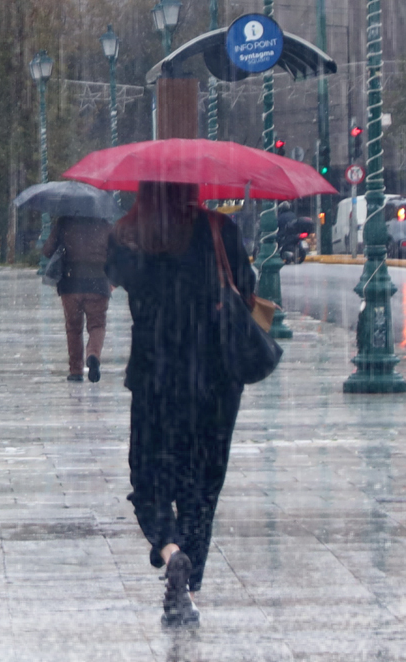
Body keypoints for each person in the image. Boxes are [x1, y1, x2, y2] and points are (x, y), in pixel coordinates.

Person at [105, 182, 256, 627]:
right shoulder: (218, 229)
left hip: (155, 376)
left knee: (148, 479)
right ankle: (186, 589)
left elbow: (117, 280)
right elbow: (247, 289)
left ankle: (170, 551)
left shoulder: (127, 235)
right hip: (214, 378)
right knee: (201, 484)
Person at [41, 215, 113, 382]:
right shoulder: (104, 224)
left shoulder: (65, 222)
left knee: (73, 328)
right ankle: (93, 354)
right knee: (97, 325)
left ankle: (76, 370)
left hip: (71, 282)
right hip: (98, 282)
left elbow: (47, 250)